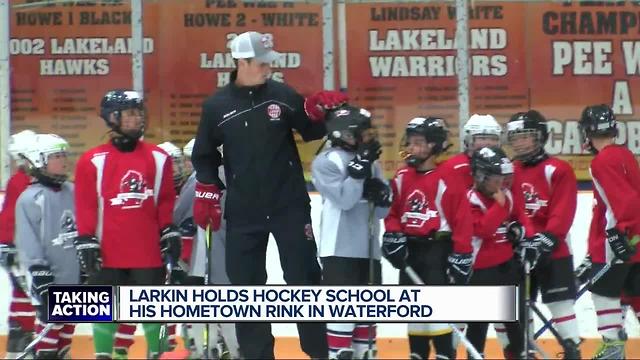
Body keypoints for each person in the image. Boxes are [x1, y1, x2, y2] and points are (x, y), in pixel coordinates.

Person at [191, 30, 347, 359]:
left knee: (304, 278)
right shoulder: (216, 106)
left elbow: (310, 130)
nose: (267, 69)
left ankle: (320, 352)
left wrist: (322, 113)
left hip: (288, 205)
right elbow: (204, 155)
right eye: (261, 63)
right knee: (246, 287)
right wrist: (207, 187)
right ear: (241, 62)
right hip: (243, 211)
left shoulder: (280, 94)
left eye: (268, 63)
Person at [73, 90, 181, 359]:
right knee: (103, 307)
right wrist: (85, 238)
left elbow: (165, 199)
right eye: (130, 113)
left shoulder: (159, 157)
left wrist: (169, 228)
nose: (138, 119)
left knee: (152, 307)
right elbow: (85, 204)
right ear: (112, 117)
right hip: (107, 251)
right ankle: (103, 354)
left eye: (139, 113)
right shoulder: (92, 160)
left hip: (147, 251)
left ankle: (155, 353)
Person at [381, 117, 473, 360]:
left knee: (438, 315)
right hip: (410, 251)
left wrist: (461, 254)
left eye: (419, 143)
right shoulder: (402, 175)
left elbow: (462, 220)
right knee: (413, 310)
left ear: (434, 145)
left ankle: (444, 353)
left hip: (437, 253)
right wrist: (393, 235)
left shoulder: (448, 177)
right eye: (410, 142)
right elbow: (392, 212)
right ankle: (417, 354)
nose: (412, 147)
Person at [311, 105, 391, 359]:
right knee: (341, 322)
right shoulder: (326, 161)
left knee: (366, 335)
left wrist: (382, 196)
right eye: (362, 133)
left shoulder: (372, 162)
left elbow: (381, 214)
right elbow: (345, 201)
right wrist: (358, 176)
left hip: (369, 252)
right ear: (343, 134)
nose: (367, 138)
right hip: (339, 251)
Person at [506, 110, 581, 358]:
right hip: (518, 251)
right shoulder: (509, 170)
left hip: (553, 250)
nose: (519, 141)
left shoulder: (558, 169)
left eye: (525, 136)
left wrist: (549, 236)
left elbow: (564, 207)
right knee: (517, 308)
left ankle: (571, 347)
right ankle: (523, 350)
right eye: (515, 136)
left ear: (540, 137)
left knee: (560, 303)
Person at [577, 104, 640, 359]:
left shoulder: (601, 161)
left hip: (617, 242)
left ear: (587, 132)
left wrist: (617, 235)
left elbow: (621, 202)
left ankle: (613, 346)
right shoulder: (625, 154)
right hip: (635, 241)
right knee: (634, 291)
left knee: (603, 291)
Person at [14, 133, 79, 359]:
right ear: (38, 160)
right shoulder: (30, 198)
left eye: (64, 155)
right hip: (48, 277)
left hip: (73, 275)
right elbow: (28, 242)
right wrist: (41, 276)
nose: (64, 160)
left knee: (69, 325)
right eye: (56, 156)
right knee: (52, 324)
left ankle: (62, 353)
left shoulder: (73, 190)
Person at [465, 146, 528, 359]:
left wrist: (518, 230)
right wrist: (499, 207)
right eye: (495, 177)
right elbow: (483, 229)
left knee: (515, 322)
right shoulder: (471, 199)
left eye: (503, 176)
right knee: (478, 325)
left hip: (507, 268)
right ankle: (476, 355)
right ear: (480, 176)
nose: (501, 182)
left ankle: (518, 353)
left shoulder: (506, 195)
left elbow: (520, 219)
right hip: (481, 271)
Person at [0, 130, 38, 358]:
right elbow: (12, 219)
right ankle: (22, 343)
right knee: (26, 294)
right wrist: (9, 246)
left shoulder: (22, 180)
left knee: (23, 293)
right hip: (16, 247)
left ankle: (20, 343)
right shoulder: (23, 182)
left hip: (14, 246)